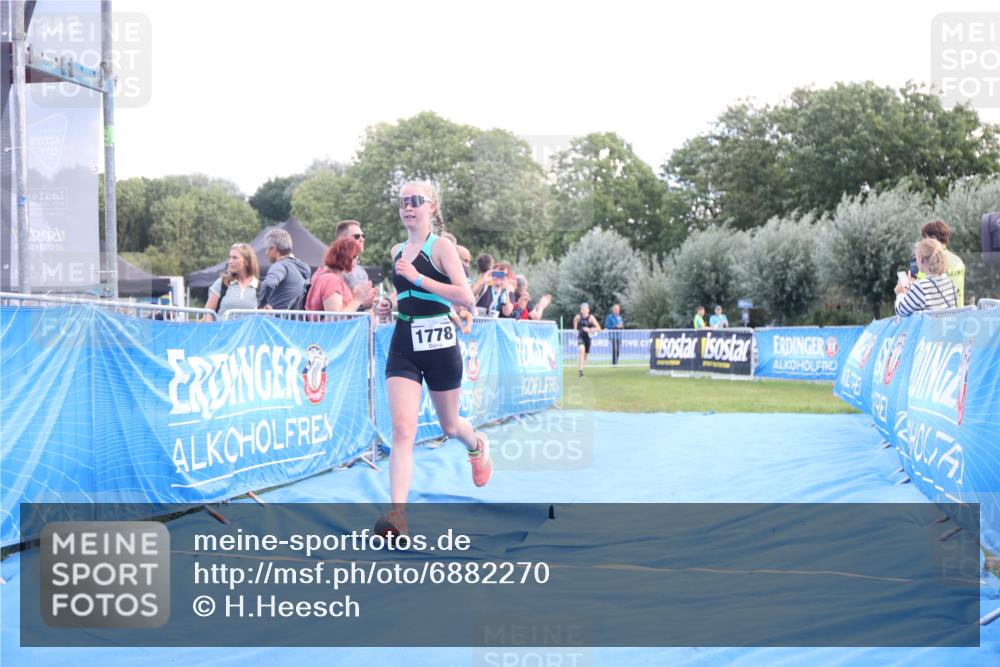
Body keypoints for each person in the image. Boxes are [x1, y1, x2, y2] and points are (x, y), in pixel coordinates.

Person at [377, 180, 490, 538]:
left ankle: (477, 445)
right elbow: (405, 293)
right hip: (405, 341)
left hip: (440, 343)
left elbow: (466, 298)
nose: (408, 207)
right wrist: (389, 305)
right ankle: (398, 515)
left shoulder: (440, 247)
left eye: (416, 201)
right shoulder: (397, 250)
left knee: (450, 426)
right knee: (402, 429)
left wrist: (420, 278)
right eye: (403, 201)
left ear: (432, 207)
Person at [305, 237, 372, 313]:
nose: (357, 261)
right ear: (348, 258)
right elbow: (335, 318)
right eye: (355, 257)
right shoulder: (331, 280)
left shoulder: (326, 275)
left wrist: (356, 295)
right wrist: (357, 300)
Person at [895, 238, 959, 316]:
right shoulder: (948, 280)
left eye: (916, 258)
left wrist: (900, 293)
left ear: (921, 259)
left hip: (930, 327)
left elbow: (901, 311)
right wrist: (913, 289)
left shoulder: (920, 287)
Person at [257, 229, 312, 310]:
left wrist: (261, 306)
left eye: (267, 248)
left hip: (280, 320)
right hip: (298, 320)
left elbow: (268, 283)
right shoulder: (301, 268)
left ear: (273, 248)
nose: (266, 253)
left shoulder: (280, 265)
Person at [205, 242, 260, 320]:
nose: (230, 261)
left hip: (248, 332)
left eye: (235, 258)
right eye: (230, 257)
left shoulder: (259, 287)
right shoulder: (222, 283)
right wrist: (212, 330)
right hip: (222, 332)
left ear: (247, 262)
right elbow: (208, 312)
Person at [918, 220, 966, 306]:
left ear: (933, 238)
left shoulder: (931, 261)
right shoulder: (958, 260)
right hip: (959, 312)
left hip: (939, 315)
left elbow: (922, 287)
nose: (923, 243)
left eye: (924, 239)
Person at [335, 220, 378, 310]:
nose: (362, 239)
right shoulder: (335, 271)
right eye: (356, 236)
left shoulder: (361, 271)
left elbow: (368, 308)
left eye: (363, 236)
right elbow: (336, 313)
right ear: (341, 240)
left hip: (362, 322)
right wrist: (361, 304)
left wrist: (370, 302)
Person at [573, 302, 601, 377]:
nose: (584, 311)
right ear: (581, 310)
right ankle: (580, 371)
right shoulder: (579, 317)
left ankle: (582, 367)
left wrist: (590, 329)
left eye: (585, 309)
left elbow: (599, 328)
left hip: (588, 338)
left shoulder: (591, 318)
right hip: (581, 336)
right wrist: (575, 329)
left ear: (588, 310)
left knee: (585, 354)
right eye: (582, 309)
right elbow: (575, 320)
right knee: (581, 351)